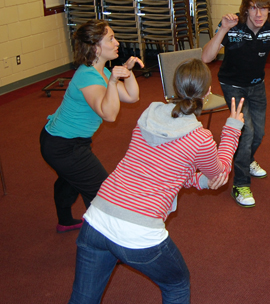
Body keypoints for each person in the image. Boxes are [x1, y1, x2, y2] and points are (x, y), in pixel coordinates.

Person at [68, 58, 244, 304]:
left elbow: (165, 169)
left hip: (97, 218)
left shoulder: (149, 113)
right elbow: (221, 174)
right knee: (176, 284)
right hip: (138, 231)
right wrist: (232, 129)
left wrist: (201, 182)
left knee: (83, 299)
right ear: (207, 94)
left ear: (175, 89)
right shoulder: (199, 138)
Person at [201, 0, 270, 208]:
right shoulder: (233, 25)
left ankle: (245, 160)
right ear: (246, 10)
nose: (259, 14)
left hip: (257, 86)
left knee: (259, 133)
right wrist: (222, 30)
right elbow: (206, 57)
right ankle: (240, 184)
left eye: (264, 9)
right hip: (233, 85)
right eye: (253, 8)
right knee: (245, 132)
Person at [40, 20, 144, 233]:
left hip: (66, 141)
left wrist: (127, 71)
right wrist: (114, 83)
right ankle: (101, 241)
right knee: (101, 192)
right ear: (96, 47)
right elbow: (109, 114)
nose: (117, 42)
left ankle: (65, 220)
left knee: (70, 178)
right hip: (62, 145)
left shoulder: (102, 72)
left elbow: (132, 97)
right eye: (111, 39)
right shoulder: (88, 76)